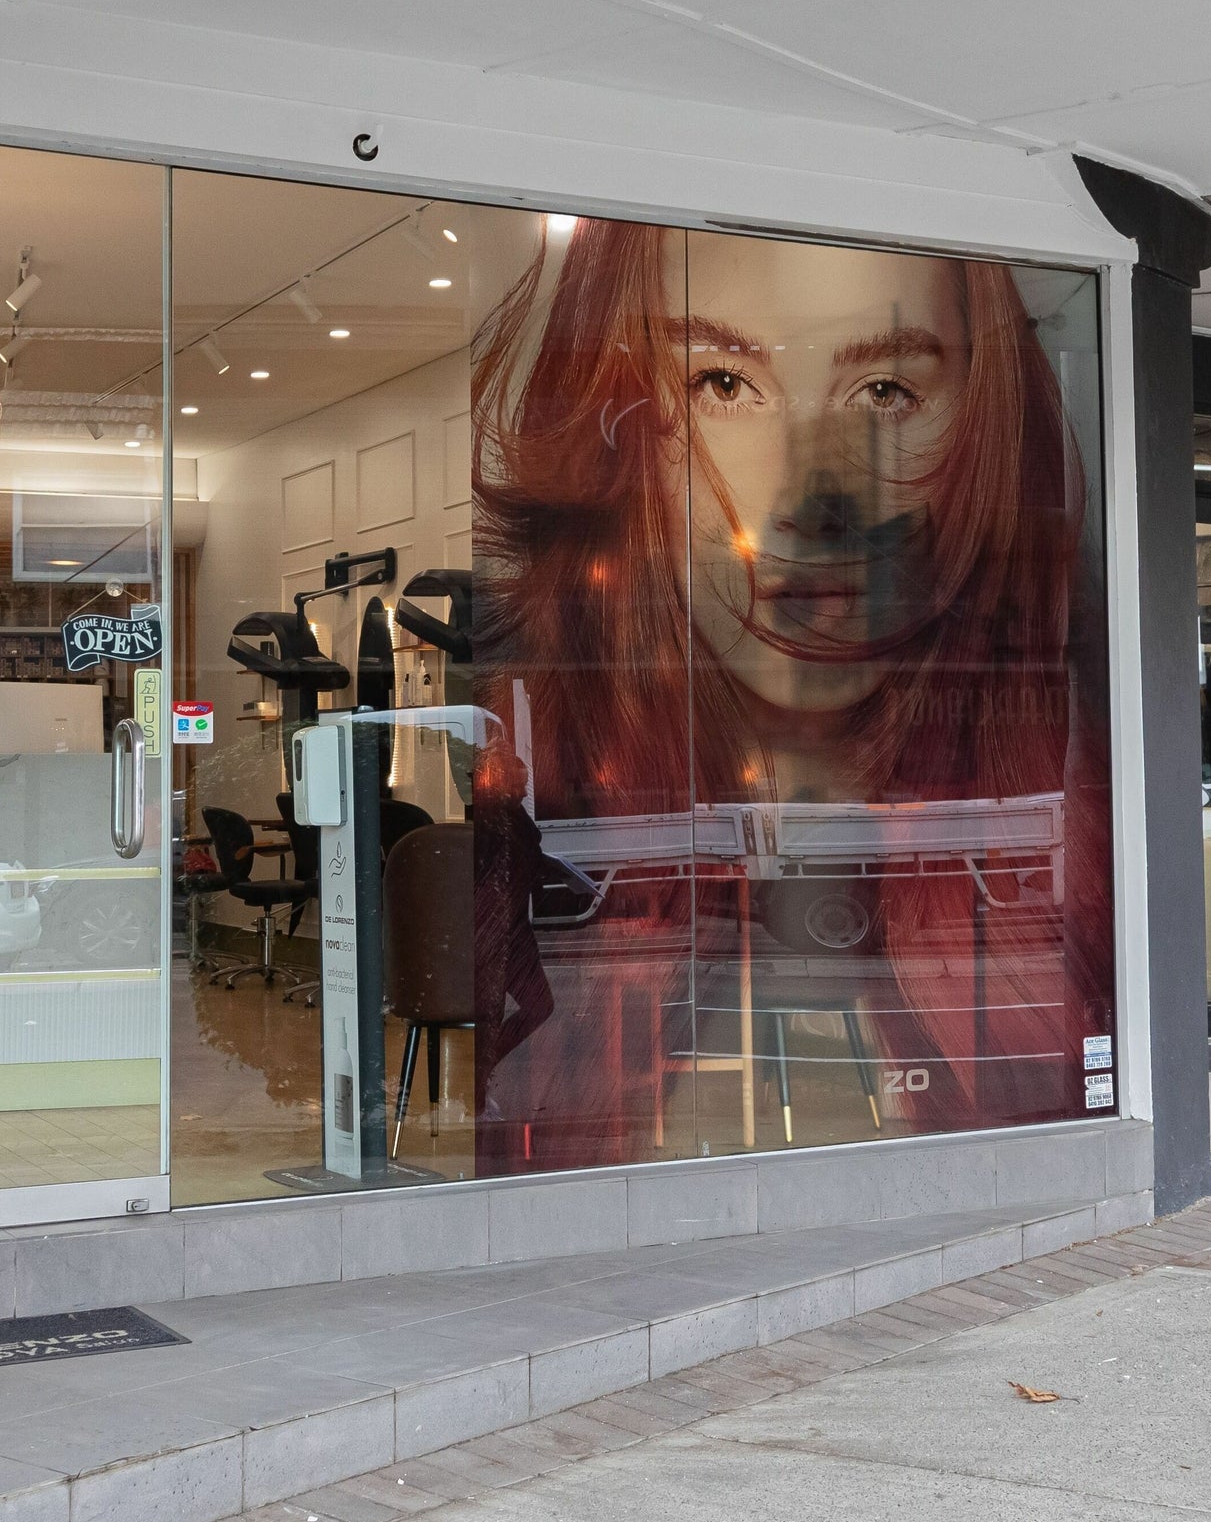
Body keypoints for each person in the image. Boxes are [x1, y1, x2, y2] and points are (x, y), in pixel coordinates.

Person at [469, 217, 1107, 1171]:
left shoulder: (1061, 805)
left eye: (886, 391)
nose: (809, 496)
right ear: (627, 437)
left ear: (981, 423)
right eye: (722, 385)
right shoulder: (552, 816)